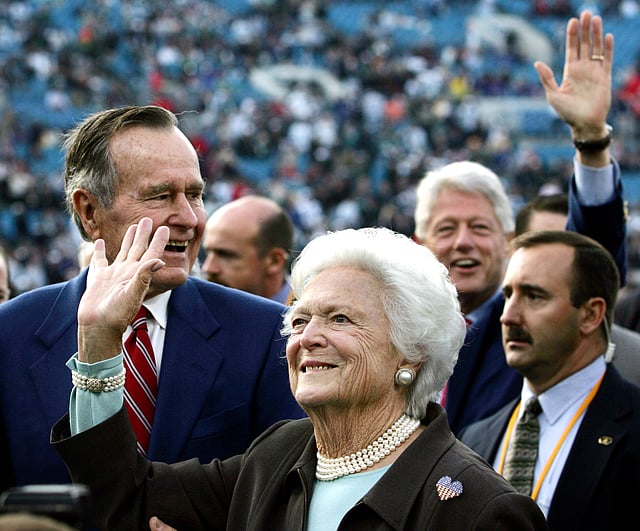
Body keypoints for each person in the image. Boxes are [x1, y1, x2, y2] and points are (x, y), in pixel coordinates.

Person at [50, 224, 547, 530]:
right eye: (301, 319)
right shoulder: (278, 454)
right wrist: (98, 345)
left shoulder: (480, 511)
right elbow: (125, 498)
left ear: (412, 355)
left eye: (340, 319)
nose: (306, 337)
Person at [0, 105, 304, 490]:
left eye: (194, 195)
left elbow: (284, 494)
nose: (189, 218)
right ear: (90, 210)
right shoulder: (10, 336)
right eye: (160, 196)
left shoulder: (267, 335)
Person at [413, 11, 627, 435]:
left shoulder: (527, 324)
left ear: (509, 242)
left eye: (479, 228)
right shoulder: (397, 334)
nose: (463, 243)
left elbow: (594, 258)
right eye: (446, 229)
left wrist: (590, 141)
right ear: (419, 244)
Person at [460, 230, 640, 530]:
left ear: (591, 315)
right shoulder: (473, 438)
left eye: (533, 296)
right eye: (508, 295)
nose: (508, 316)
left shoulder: (633, 427)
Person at [515, 192, 640, 384]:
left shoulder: (628, 360)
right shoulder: (475, 341)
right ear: (512, 249)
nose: (555, 264)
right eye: (541, 248)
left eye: (569, 253)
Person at [201, 195, 294, 304]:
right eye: (208, 253)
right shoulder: (197, 310)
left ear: (274, 261)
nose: (208, 268)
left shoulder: (310, 317)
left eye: (226, 255)